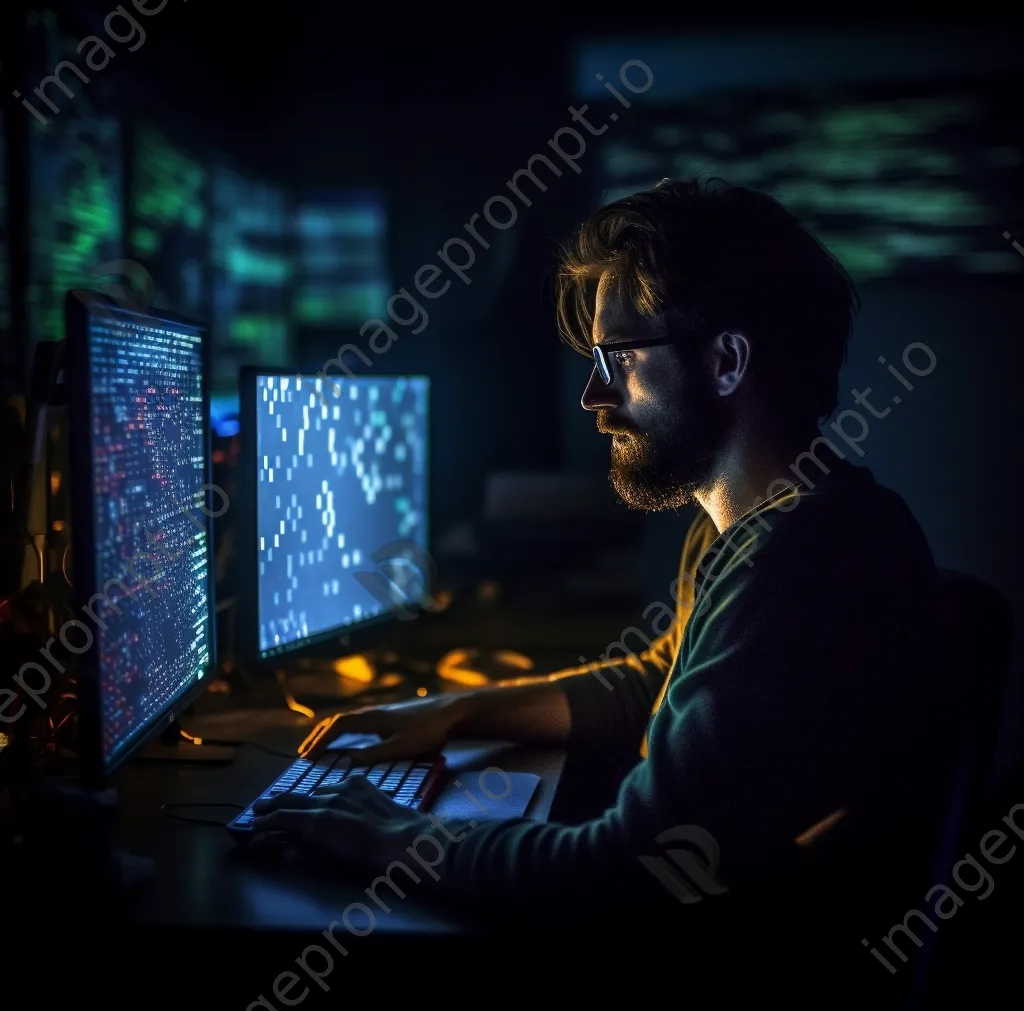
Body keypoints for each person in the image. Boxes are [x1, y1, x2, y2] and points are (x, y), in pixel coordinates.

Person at [252, 178, 956, 956]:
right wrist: (454, 712)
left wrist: (397, 840)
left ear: (726, 361)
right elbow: (655, 683)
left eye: (616, 356)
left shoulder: (796, 559)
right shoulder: (758, 522)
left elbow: (632, 868)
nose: (593, 393)